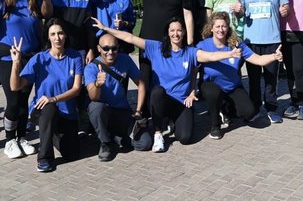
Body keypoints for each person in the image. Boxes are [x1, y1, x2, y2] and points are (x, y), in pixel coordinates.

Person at [91, 16, 242, 153]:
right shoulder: (155, 48)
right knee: (157, 91)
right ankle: (158, 133)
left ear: (183, 33)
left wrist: (230, 54)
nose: (176, 34)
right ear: (168, 33)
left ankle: (172, 121)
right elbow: (129, 37)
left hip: (181, 102)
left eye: (179, 30)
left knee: (185, 138)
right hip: (161, 100)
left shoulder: (190, 52)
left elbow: (210, 56)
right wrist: (105, 28)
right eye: (172, 30)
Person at [110, 0, 194, 109]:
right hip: (147, 45)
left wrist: (190, 40)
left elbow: (187, 15)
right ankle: (147, 115)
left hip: (171, 46)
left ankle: (171, 113)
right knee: (146, 81)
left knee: (170, 81)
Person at [9, 18, 83, 172]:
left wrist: (54, 98)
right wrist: (16, 62)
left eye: (61, 33)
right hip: (43, 110)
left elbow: (77, 89)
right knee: (49, 108)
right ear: (48, 37)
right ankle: (44, 158)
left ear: (66, 35)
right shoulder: (39, 59)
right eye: (53, 34)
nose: (57, 38)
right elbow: (15, 86)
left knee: (72, 154)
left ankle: (51, 133)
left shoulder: (75, 57)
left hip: (67, 113)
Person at [198, 12, 283, 139]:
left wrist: (273, 56)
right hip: (211, 86)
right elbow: (208, 57)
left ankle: (225, 109)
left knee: (249, 112)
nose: (221, 30)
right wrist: (230, 55)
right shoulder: (204, 45)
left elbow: (258, 59)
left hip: (232, 87)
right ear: (211, 28)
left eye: (224, 26)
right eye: (217, 26)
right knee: (213, 93)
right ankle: (215, 125)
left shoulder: (236, 44)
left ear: (228, 28)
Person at [0, 0, 45, 159]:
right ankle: (10, 139)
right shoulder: (3, 0)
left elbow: (39, 25)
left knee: (24, 101)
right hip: (8, 58)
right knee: (13, 101)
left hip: (31, 57)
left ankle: (21, 136)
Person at [238, 0, 289, 123]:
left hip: (272, 39)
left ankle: (272, 108)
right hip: (250, 41)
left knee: (270, 79)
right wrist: (239, 11)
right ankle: (254, 108)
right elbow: (240, 12)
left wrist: (285, 10)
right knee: (253, 79)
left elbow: (285, 7)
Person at [84, 33, 152, 161]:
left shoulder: (125, 59)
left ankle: (116, 137)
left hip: (122, 111)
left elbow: (141, 84)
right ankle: (106, 143)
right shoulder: (91, 68)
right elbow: (93, 97)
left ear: (118, 48)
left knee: (145, 143)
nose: (110, 52)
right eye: (106, 48)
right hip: (104, 111)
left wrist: (138, 111)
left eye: (114, 48)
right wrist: (98, 84)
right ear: (99, 48)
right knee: (95, 107)